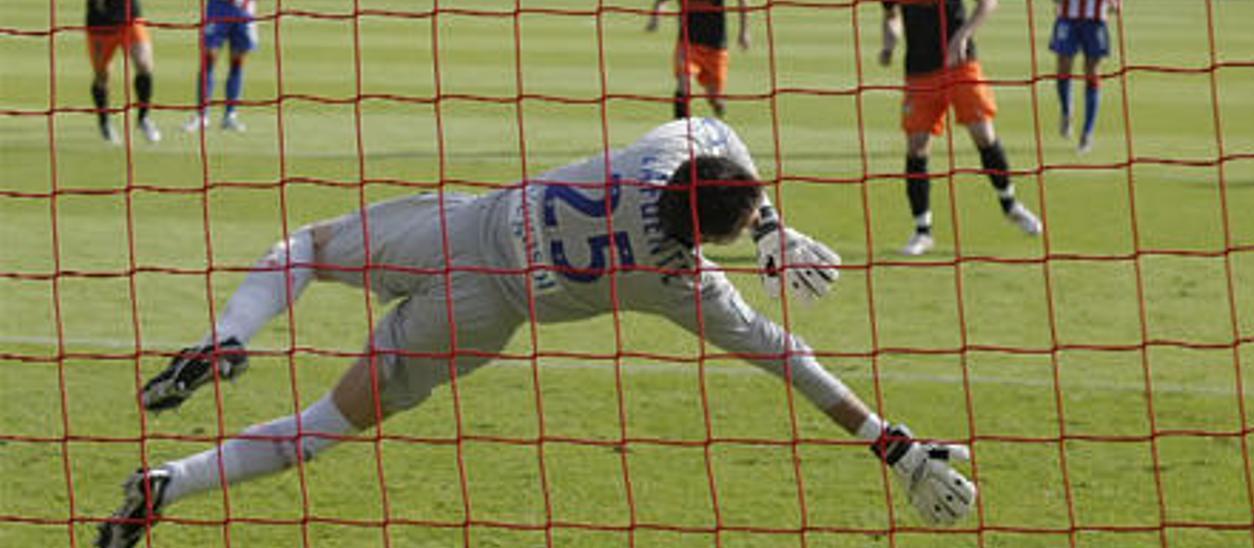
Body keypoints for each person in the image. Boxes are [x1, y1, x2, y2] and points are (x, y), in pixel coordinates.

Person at [95, 118, 975, 548]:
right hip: (479, 319)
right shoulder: (681, 283)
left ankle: (231, 334)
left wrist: (772, 219)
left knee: (302, 249)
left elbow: (714, 123)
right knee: (327, 423)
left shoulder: (655, 155)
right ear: (710, 233)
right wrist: (887, 443)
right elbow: (789, 355)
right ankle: (167, 487)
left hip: (464, 226)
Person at [879, 0, 1043, 256]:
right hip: (919, 73)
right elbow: (891, 15)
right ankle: (922, 232)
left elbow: (988, 4)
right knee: (916, 147)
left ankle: (1010, 205)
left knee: (983, 135)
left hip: (960, 66)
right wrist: (889, 44)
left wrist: (963, 35)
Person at [645, 0, 750, 119]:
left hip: (716, 47)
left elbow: (742, 2)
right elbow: (661, 2)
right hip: (688, 43)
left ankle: (718, 110)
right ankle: (682, 128)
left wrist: (744, 31)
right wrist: (655, 18)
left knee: (715, 99)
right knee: (684, 84)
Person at [86, 0, 161, 144]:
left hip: (130, 18)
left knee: (144, 63)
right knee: (102, 76)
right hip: (100, 23)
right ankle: (104, 122)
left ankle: (143, 118)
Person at [1050, 0, 1119, 153]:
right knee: (1063, 68)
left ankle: (1087, 133)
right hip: (1068, 17)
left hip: (1095, 19)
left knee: (1092, 73)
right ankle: (1067, 112)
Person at [184, 0, 258, 133]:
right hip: (218, 6)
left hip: (244, 8)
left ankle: (230, 115)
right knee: (209, 57)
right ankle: (202, 115)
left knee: (237, 62)